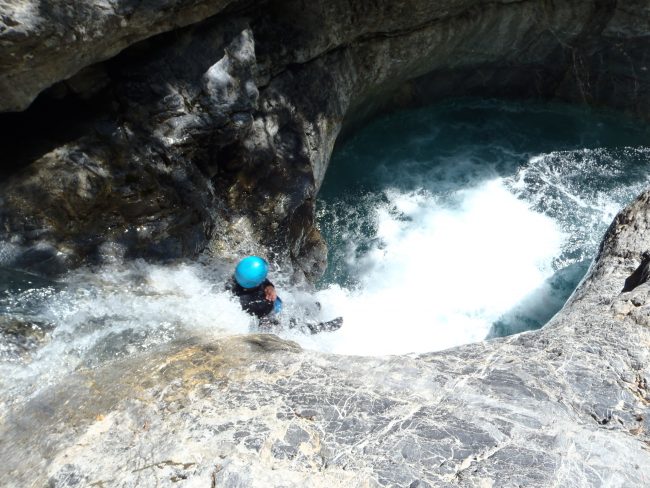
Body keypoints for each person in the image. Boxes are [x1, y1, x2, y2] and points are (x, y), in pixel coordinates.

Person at [228, 256, 282, 326]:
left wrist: (269, 286)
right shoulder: (260, 303)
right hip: (258, 319)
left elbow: (260, 280)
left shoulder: (234, 280)